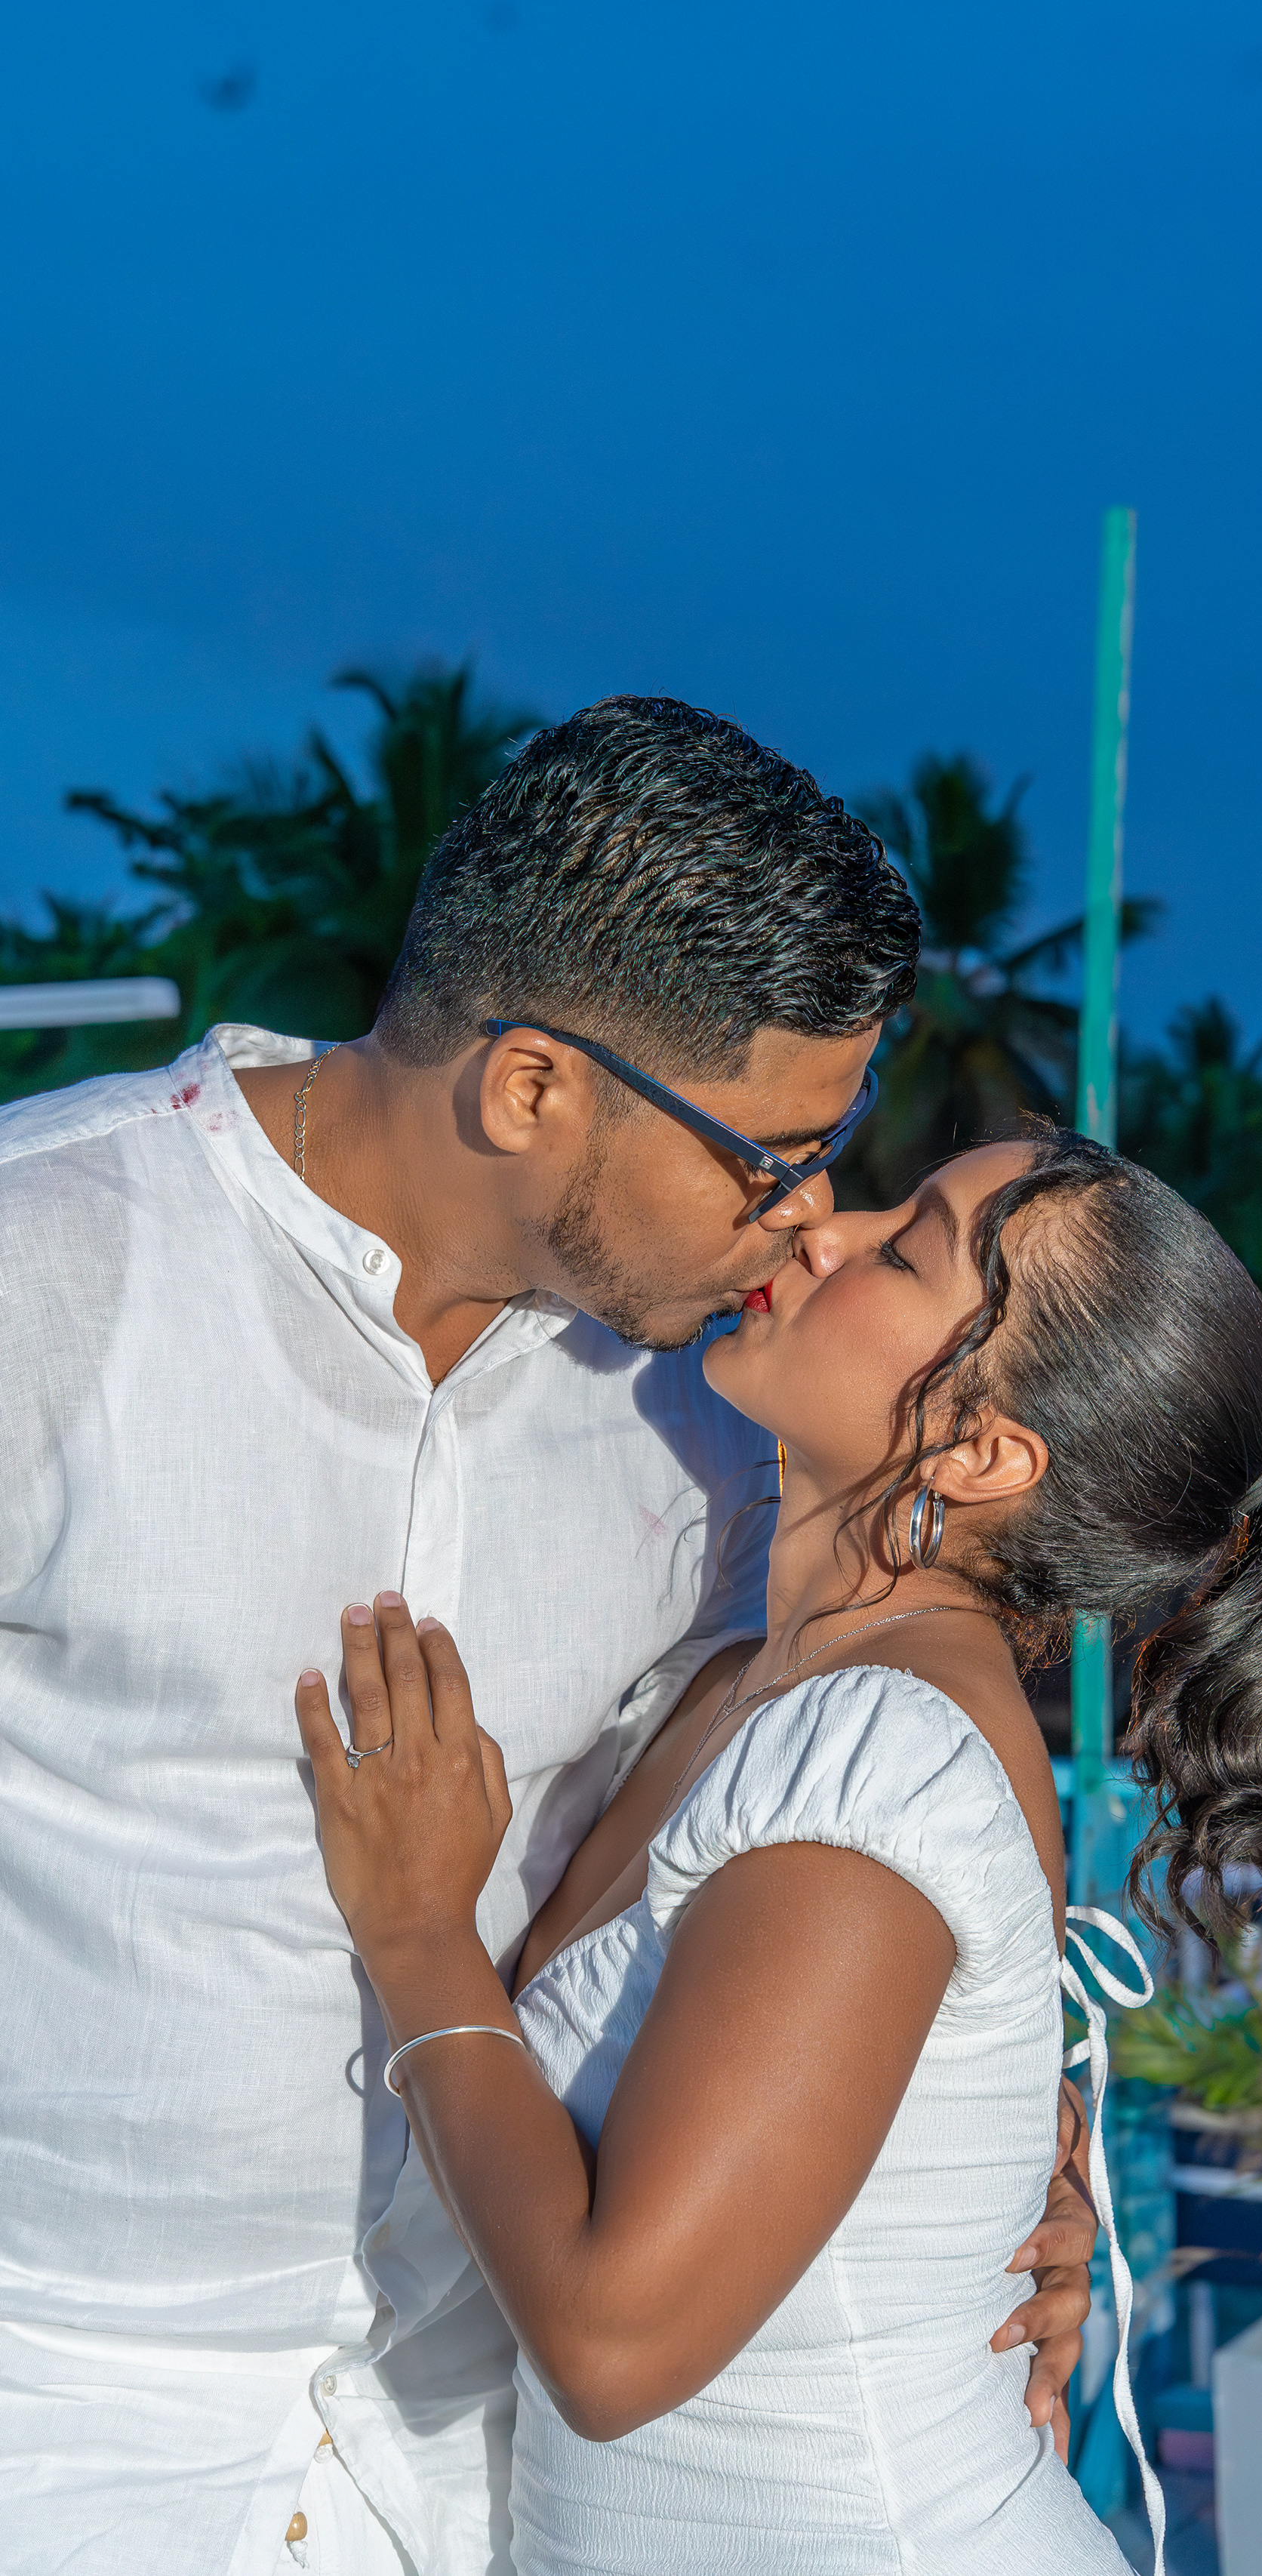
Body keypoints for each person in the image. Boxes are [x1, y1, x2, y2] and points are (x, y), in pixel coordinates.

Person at [0, 700, 1097, 2576]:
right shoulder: (51, 1267)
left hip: (475, 2456)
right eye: (771, 1152)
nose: (809, 1216)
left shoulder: (714, 1413)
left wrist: (996, 2138)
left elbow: (773, 1842)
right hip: (77, 2433)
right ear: (529, 1088)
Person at [297, 1128, 1262, 2576]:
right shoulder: (748, 1682)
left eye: (905, 1250)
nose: (820, 1225)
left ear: (984, 1453)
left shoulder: (878, 1759)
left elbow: (614, 2346)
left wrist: (420, 1937)